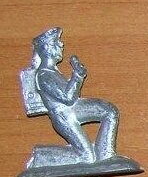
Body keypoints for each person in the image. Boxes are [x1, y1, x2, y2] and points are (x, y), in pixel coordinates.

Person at [26, 27, 120, 162]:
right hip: (64, 117)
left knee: (109, 111)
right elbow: (68, 98)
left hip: (72, 110)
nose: (61, 45)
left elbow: (70, 97)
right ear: (47, 48)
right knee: (86, 157)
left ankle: (106, 155)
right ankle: (41, 156)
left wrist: (77, 75)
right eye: (56, 42)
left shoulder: (52, 72)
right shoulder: (44, 75)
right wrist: (77, 76)